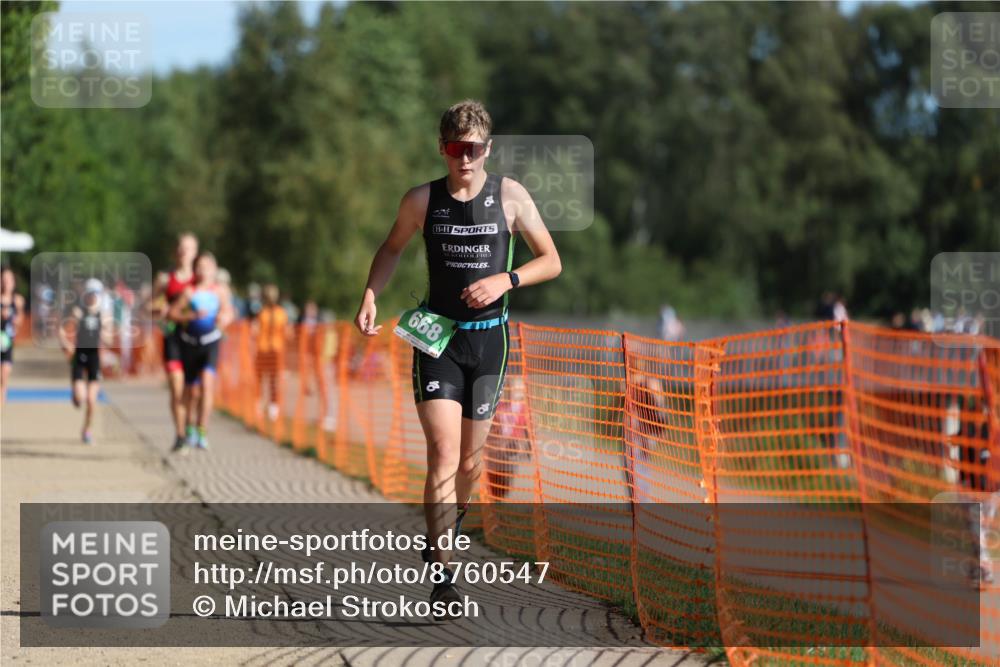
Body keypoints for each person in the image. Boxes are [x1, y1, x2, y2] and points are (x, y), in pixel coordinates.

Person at [353, 100, 561, 616]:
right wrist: (371, 294)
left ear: (487, 148)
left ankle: (449, 523)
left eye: (472, 149)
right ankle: (444, 578)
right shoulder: (422, 200)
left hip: (490, 342)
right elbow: (391, 248)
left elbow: (551, 261)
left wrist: (506, 279)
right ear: (441, 148)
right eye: (453, 148)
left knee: (470, 460)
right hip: (438, 340)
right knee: (444, 452)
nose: (463, 159)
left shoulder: (510, 196)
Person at [169, 252, 234, 452]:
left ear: (214, 270)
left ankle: (202, 430)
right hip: (190, 344)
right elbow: (173, 313)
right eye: (200, 266)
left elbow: (229, 311)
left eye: (207, 266)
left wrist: (225, 318)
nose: (203, 270)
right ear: (195, 270)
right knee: (192, 392)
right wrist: (190, 315)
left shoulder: (220, 291)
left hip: (211, 342)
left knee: (207, 383)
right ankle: (190, 426)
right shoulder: (190, 292)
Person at [154, 232, 199, 450]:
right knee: (176, 387)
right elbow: (148, 306)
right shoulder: (165, 278)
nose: (183, 252)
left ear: (195, 252)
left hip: (196, 340)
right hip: (172, 338)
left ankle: (190, 424)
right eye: (181, 247)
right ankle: (180, 435)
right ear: (176, 251)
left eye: (188, 248)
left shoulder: (199, 280)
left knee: (193, 392)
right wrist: (159, 308)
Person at [58, 279, 113, 444]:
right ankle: (75, 394)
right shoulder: (78, 312)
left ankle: (87, 430)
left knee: (91, 400)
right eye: (90, 293)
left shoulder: (103, 315)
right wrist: (66, 344)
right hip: (79, 355)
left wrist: (104, 335)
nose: (92, 297)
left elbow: (109, 339)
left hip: (94, 357)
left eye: (95, 294)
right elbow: (62, 330)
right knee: (80, 398)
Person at [254, 284, 288, 421]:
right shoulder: (266, 313)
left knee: (271, 380)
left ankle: (271, 407)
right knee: (263, 379)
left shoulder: (274, 313)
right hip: (266, 349)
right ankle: (264, 406)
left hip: (272, 350)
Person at [1, 267, 26, 406]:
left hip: (7, 343)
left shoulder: (18, 301)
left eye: (9, 279)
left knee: (4, 376)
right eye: (3, 279)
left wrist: (16, 320)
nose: (6, 282)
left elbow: (19, 322)